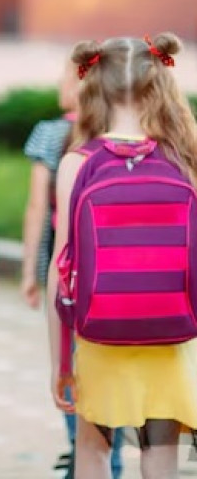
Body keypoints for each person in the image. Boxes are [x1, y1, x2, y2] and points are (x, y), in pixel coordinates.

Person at [47, 33, 197, 478]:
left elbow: (61, 271)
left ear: (91, 86)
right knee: (159, 453)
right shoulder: (183, 158)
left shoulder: (79, 161)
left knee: (93, 452)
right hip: (171, 335)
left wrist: (60, 363)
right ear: (162, 84)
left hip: (99, 337)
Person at [22, 61, 124, 478]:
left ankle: (84, 453)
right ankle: (109, 456)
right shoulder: (118, 138)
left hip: (64, 275)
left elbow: (34, 207)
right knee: (107, 365)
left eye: (66, 77)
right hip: (113, 276)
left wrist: (29, 270)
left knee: (70, 365)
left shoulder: (50, 133)